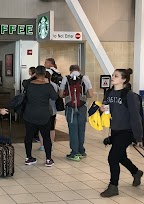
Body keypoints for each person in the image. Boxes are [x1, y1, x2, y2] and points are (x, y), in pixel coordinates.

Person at [99, 68, 143, 197]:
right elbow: (107, 112)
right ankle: (136, 172)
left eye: (116, 76)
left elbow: (136, 117)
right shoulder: (109, 92)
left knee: (112, 157)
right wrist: (103, 110)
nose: (112, 77)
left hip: (127, 131)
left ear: (123, 79)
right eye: (113, 75)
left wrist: (138, 137)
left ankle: (113, 187)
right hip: (115, 130)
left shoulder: (129, 95)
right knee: (121, 157)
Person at [23, 66, 58, 167]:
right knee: (46, 137)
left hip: (29, 114)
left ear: (35, 74)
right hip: (44, 115)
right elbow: (55, 97)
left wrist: (32, 77)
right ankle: (48, 159)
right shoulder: (48, 86)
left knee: (28, 136)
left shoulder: (29, 85)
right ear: (45, 74)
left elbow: (24, 83)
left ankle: (28, 157)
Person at [59, 65, 93, 161]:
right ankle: (81, 151)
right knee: (81, 129)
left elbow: (61, 94)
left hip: (70, 108)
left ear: (70, 71)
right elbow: (91, 94)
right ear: (79, 70)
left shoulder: (66, 78)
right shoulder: (85, 78)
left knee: (73, 130)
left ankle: (74, 153)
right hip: (82, 107)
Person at [37, 69, 59, 151]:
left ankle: (42, 145)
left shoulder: (39, 85)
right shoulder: (54, 85)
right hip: (52, 110)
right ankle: (51, 144)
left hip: (41, 109)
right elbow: (56, 96)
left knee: (41, 128)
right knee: (51, 128)